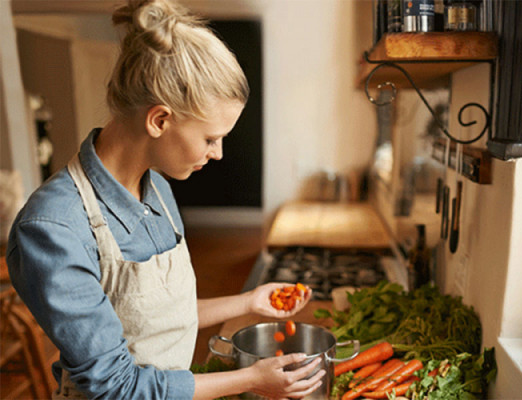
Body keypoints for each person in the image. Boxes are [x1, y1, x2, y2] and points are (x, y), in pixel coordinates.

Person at [6, 0, 325, 398]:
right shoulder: (54, 227)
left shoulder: (157, 190)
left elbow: (158, 319)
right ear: (159, 120)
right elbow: (115, 388)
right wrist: (253, 379)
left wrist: (249, 302)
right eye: (211, 138)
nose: (218, 153)